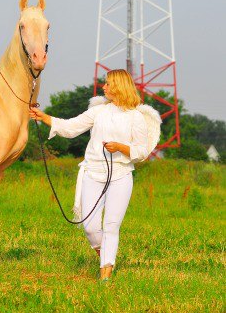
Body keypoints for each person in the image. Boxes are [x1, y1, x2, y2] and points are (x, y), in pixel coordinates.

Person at [30, 69, 160, 281]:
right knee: (90, 226)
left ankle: (105, 273)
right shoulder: (99, 112)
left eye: (108, 84)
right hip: (93, 172)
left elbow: (142, 151)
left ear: (118, 86)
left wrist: (120, 147)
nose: (103, 87)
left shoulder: (136, 117)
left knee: (111, 225)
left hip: (120, 175)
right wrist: (44, 117)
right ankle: (105, 253)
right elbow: (71, 127)